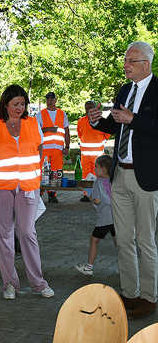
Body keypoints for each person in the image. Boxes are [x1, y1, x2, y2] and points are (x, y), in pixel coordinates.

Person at [89, 41, 158, 318]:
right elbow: (116, 124)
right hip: (120, 176)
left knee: (146, 241)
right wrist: (98, 121)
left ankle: (150, 297)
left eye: (131, 61)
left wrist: (134, 119)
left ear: (146, 64)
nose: (126, 65)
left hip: (147, 178)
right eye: (126, 61)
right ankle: (130, 293)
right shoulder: (125, 90)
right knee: (124, 240)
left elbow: (144, 125)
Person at [0, 84, 54, 300]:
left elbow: (39, 149)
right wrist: (1, 169)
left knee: (28, 233)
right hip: (1, 188)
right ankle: (10, 284)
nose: (20, 108)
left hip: (28, 188)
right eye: (15, 104)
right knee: (4, 235)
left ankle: (39, 283)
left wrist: (34, 172)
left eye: (23, 104)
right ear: (6, 104)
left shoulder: (32, 124)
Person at [75, 155, 115, 276]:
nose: (94, 170)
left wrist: (89, 196)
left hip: (105, 218)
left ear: (103, 169)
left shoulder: (98, 182)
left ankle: (89, 267)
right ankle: (128, 267)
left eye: (96, 167)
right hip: (117, 217)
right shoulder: (115, 179)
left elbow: (97, 201)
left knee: (94, 240)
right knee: (120, 243)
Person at [36, 92, 70, 203]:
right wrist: (48, 129)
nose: (50, 101)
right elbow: (36, 130)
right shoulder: (40, 114)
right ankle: (40, 193)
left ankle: (52, 194)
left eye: (52, 99)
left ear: (56, 100)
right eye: (48, 99)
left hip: (58, 149)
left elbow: (67, 131)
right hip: (44, 149)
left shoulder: (62, 114)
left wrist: (67, 146)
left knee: (56, 172)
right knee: (43, 171)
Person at [77, 101, 110, 202]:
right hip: (85, 155)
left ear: (95, 108)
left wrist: (102, 142)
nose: (88, 110)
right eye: (86, 108)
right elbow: (79, 133)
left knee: (99, 175)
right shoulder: (81, 121)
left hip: (98, 155)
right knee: (86, 175)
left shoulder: (101, 120)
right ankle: (87, 195)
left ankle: (99, 195)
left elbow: (107, 133)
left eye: (91, 107)